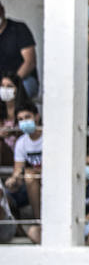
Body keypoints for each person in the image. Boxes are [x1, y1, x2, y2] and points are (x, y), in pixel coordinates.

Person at [5, 100, 42, 241]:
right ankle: (18, 229)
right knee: (8, 193)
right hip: (30, 184)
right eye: (20, 119)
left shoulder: (49, 137)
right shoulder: (21, 142)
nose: (24, 122)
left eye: (27, 117)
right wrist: (13, 180)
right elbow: (18, 170)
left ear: (36, 117)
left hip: (49, 182)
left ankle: (39, 220)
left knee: (30, 176)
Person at [0, 0, 38, 98]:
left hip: (23, 79)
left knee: (14, 94)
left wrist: (13, 80)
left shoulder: (19, 29)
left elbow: (30, 62)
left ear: (2, 10)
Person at [0, 72, 26, 163]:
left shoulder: (25, 110)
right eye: (2, 86)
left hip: (20, 152)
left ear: (17, 89)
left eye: (9, 86)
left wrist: (13, 132)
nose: (5, 89)